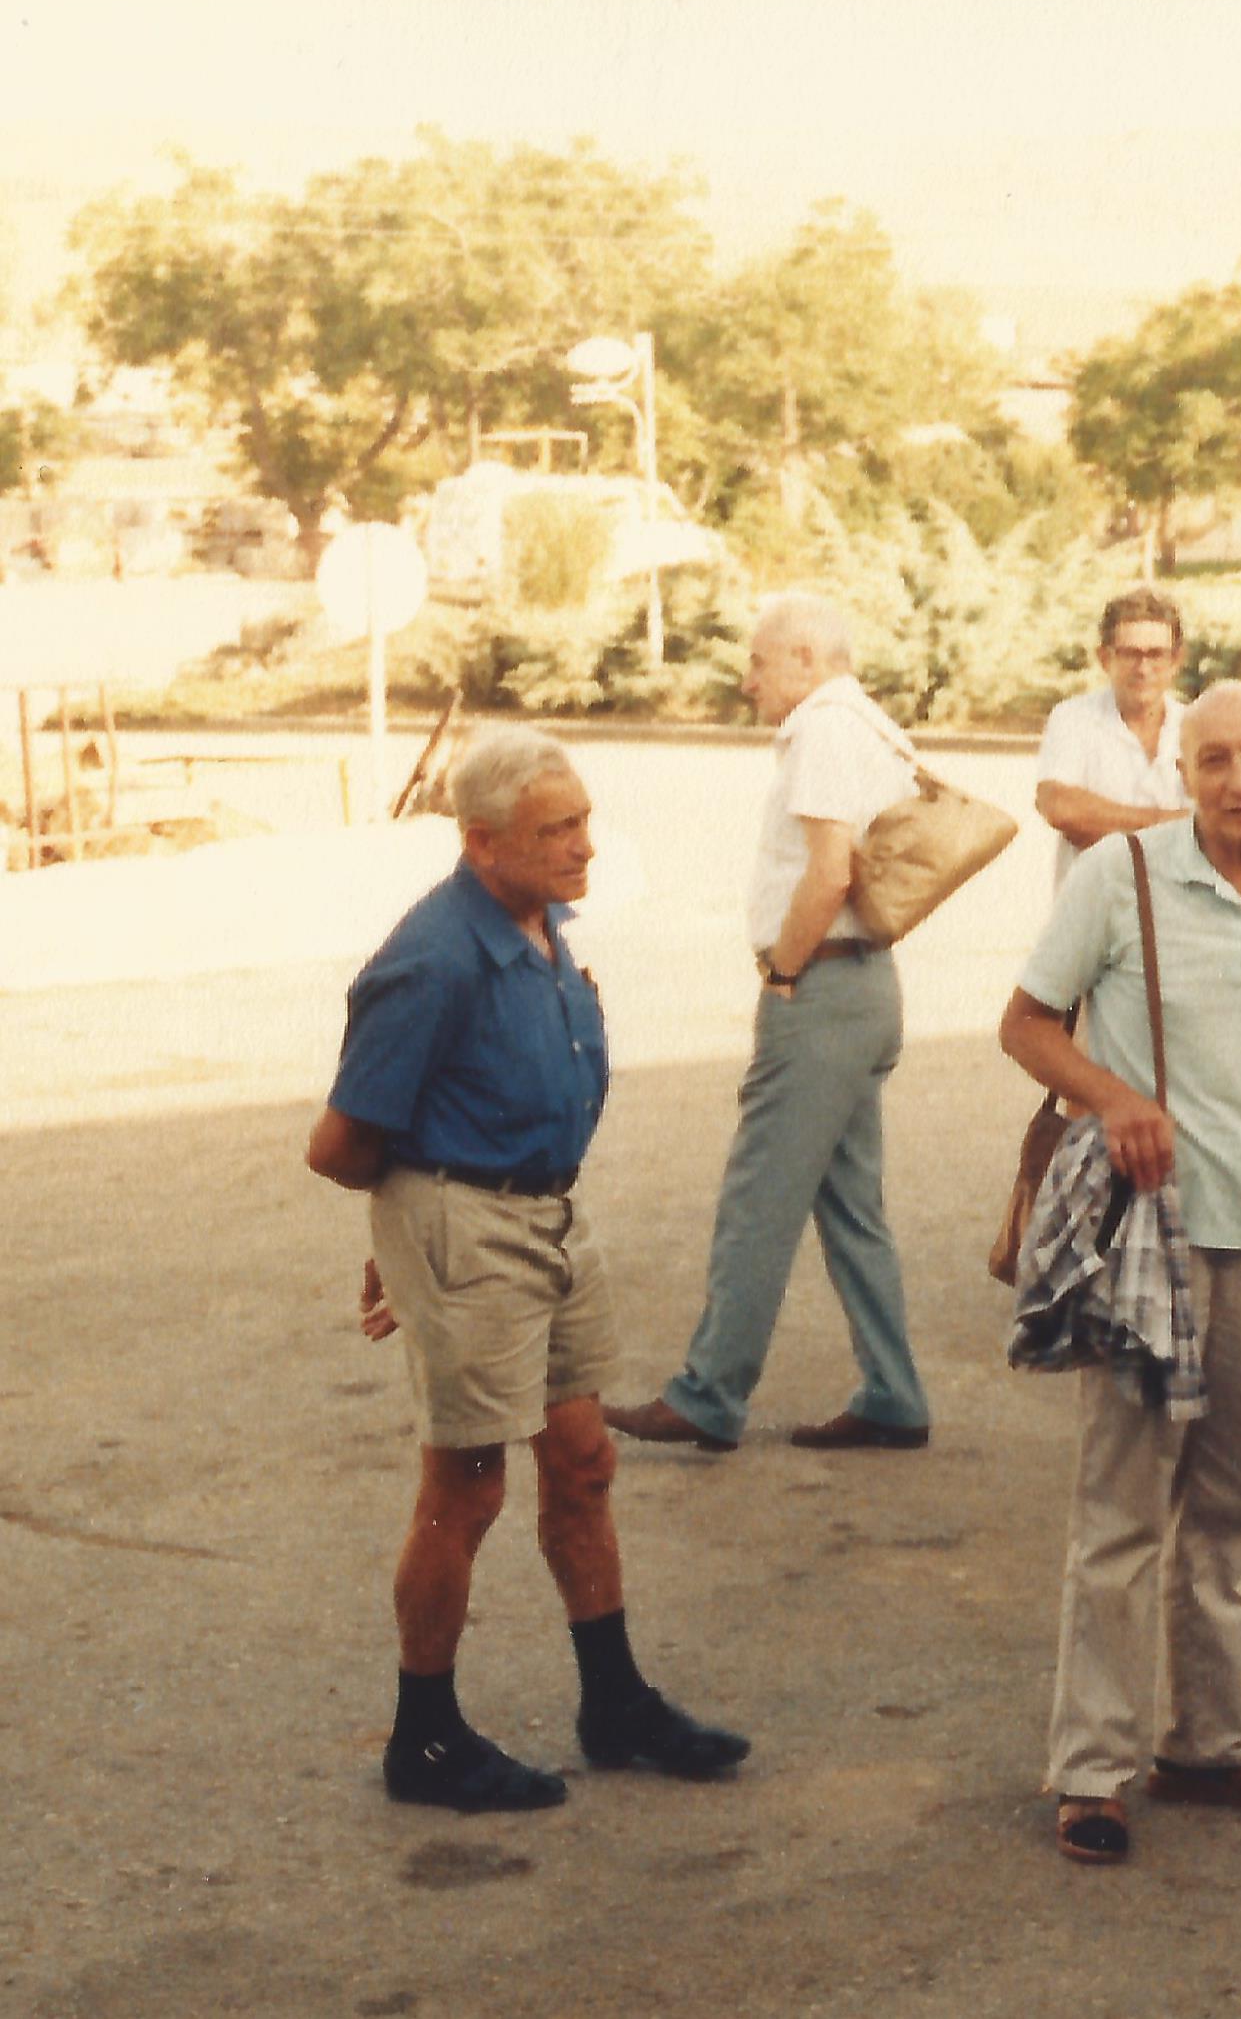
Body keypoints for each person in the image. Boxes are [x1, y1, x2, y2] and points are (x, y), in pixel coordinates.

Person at [305, 724, 748, 1813]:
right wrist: (414, 1240)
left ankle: (615, 1704)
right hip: (474, 1223)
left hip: (548, 1214)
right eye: (556, 830)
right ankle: (424, 1740)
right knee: (465, 1485)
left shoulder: (542, 922)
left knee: (585, 1457)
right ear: (482, 840)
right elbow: (342, 1145)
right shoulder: (433, 959)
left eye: (585, 819)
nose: (583, 846)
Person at [998, 680, 1241, 1866]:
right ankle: (1091, 1770)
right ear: (1185, 776)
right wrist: (1115, 1098)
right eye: (1214, 761)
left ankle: (1208, 1743)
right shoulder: (1127, 876)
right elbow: (1026, 1024)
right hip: (1147, 1236)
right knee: (1121, 1510)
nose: (1239, 780)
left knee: (1230, 1507)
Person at [606, 594, 929, 1454]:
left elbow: (829, 871)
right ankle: (893, 1393)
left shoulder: (823, 729)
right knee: (850, 1203)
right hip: (867, 988)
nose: (747, 682)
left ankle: (710, 1393)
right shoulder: (872, 727)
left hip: (820, 990)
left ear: (808, 659)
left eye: (759, 663)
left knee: (758, 1198)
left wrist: (782, 970)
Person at [1035, 587, 1192, 885]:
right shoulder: (1074, 719)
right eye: (1130, 654)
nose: (1143, 668)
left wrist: (1104, 821)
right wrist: (1175, 828)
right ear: (1104, 658)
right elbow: (1060, 807)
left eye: (1156, 654)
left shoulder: (1197, 727)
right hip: (1092, 918)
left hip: (1177, 917)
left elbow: (1221, 830)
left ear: (1176, 660)